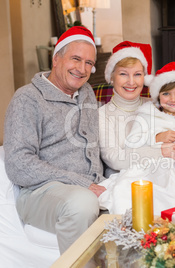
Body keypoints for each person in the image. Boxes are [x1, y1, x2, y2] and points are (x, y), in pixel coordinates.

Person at [3, 26, 106, 253]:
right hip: (41, 192)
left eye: (89, 62)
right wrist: (79, 183)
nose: (82, 69)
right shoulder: (28, 98)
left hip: (91, 185)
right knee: (81, 203)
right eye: (76, 59)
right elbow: (18, 164)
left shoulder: (86, 91)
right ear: (56, 59)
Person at [98, 62, 175, 215]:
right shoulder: (147, 116)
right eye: (166, 94)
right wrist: (156, 138)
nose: (173, 99)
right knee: (137, 193)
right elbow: (130, 145)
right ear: (158, 96)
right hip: (151, 169)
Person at [99, 41, 159, 177]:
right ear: (111, 77)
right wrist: (161, 152)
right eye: (123, 74)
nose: (131, 82)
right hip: (120, 179)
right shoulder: (102, 114)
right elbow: (114, 159)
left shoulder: (156, 106)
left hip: (159, 175)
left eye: (137, 74)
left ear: (144, 77)